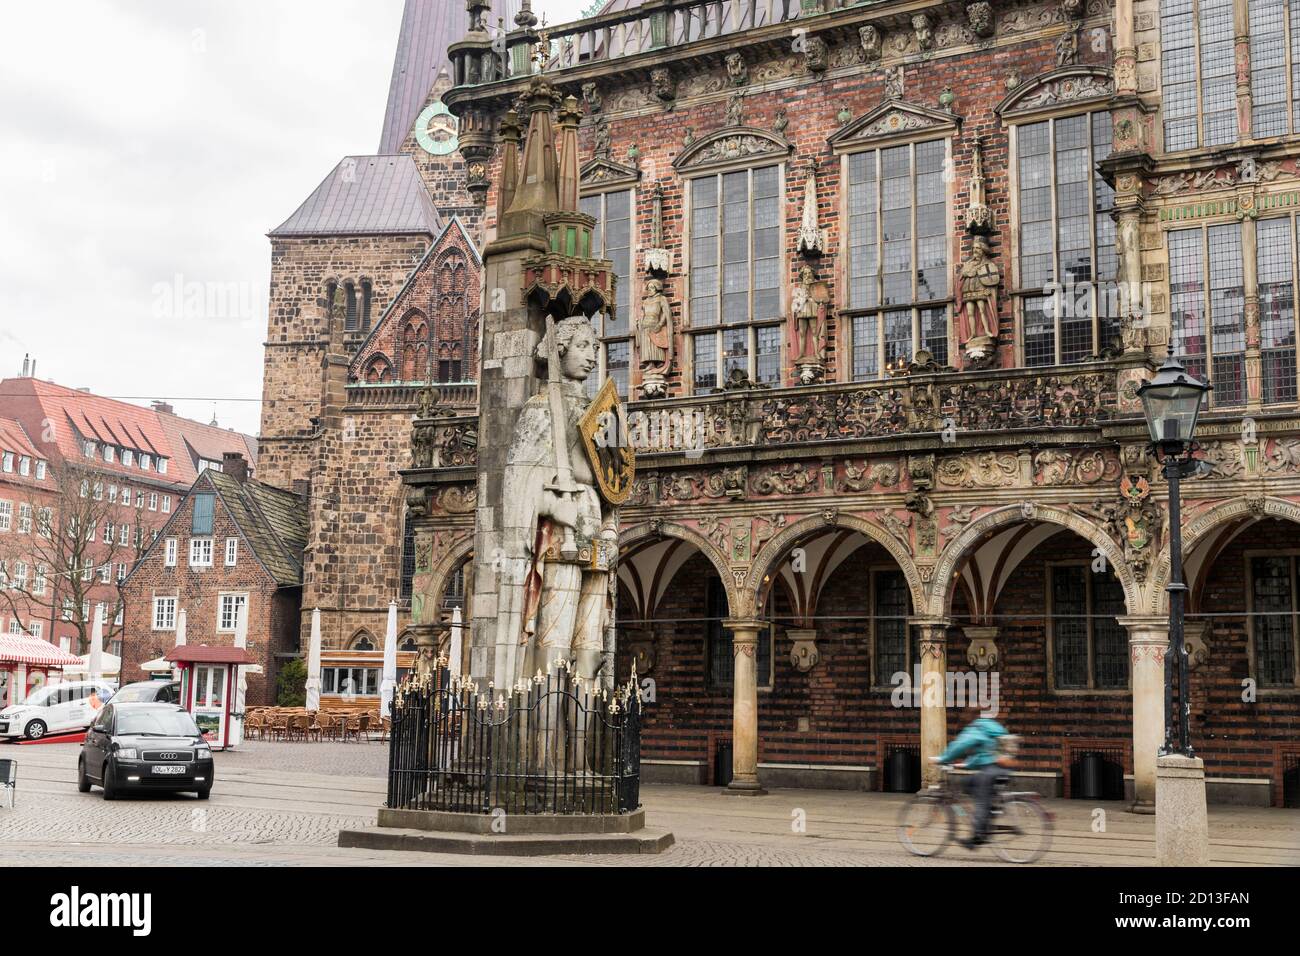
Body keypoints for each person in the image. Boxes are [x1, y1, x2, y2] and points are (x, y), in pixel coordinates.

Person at [935, 712, 1012, 848]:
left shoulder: (975, 729)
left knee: (981, 800)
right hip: (1003, 768)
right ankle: (988, 814)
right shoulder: (989, 726)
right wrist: (967, 764)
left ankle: (978, 835)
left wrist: (943, 759)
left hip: (991, 771)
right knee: (968, 783)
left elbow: (959, 746)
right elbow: (985, 753)